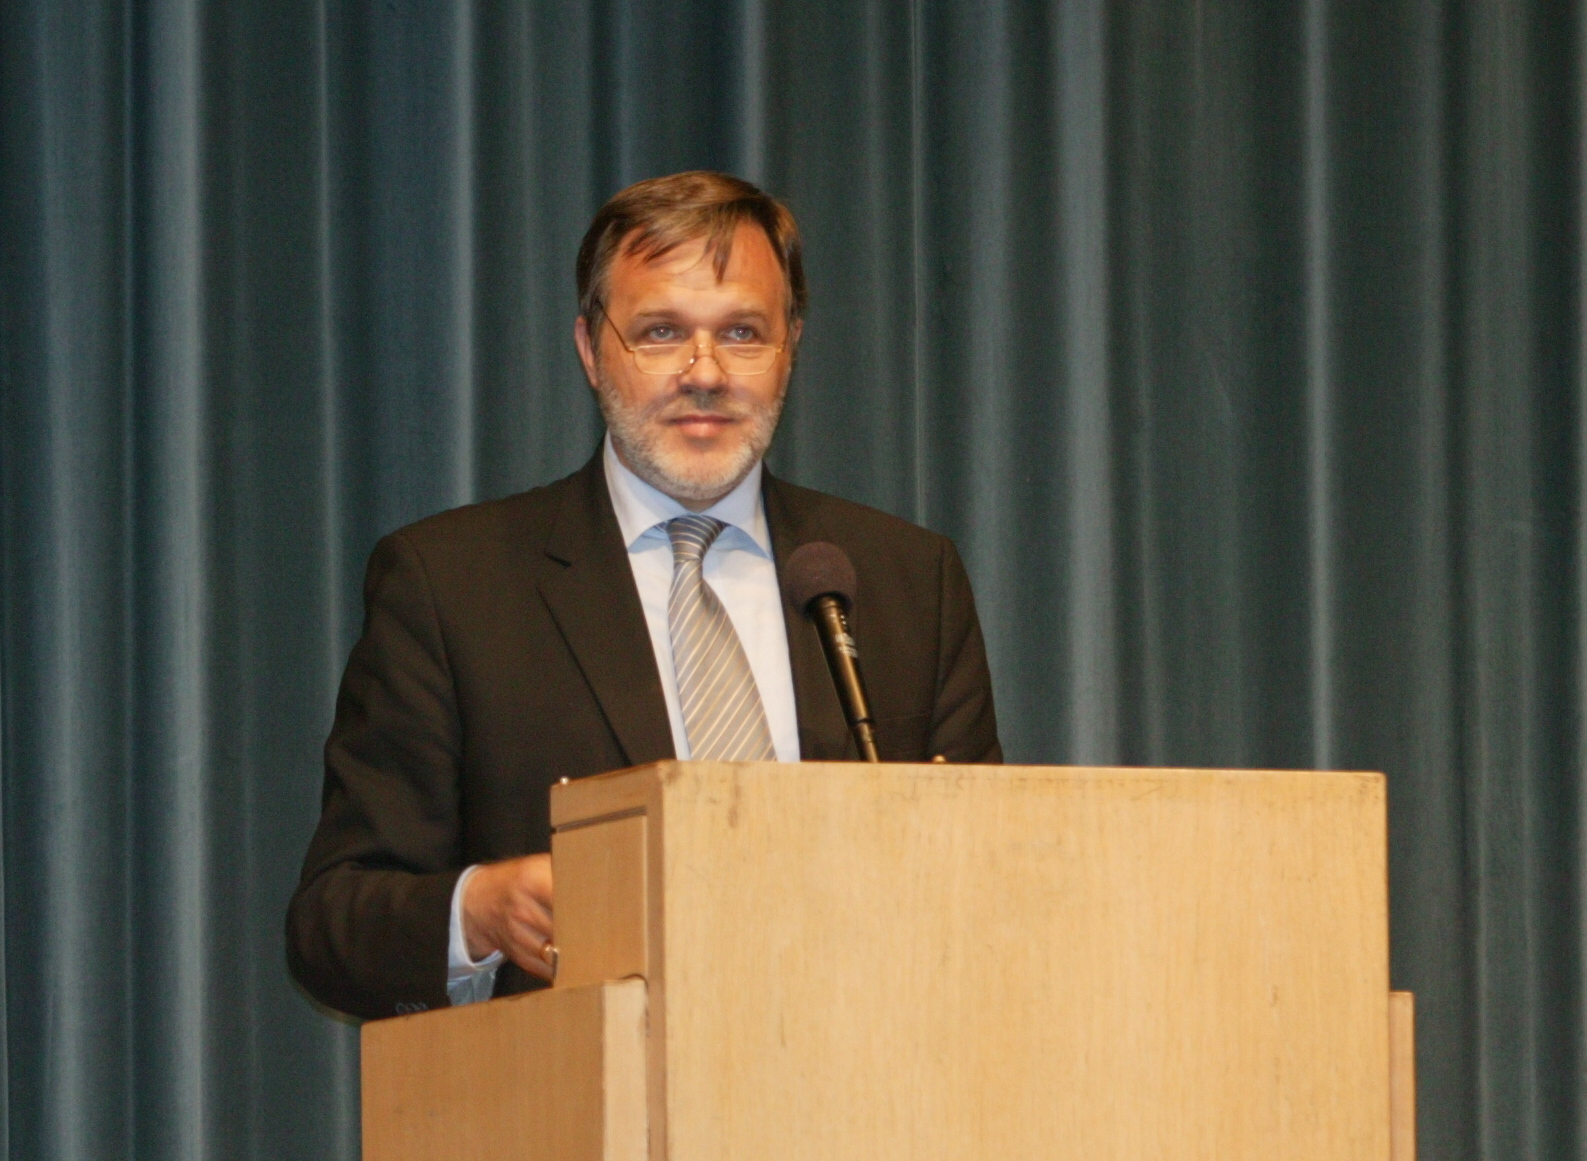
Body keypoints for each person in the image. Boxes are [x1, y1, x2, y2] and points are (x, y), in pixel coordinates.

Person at [286, 171, 1001, 1020]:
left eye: (742, 333)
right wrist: (477, 910)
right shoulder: (451, 585)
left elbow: (987, 882)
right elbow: (333, 924)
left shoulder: (904, 578)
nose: (705, 372)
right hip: (585, 1088)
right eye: (660, 333)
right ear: (591, 350)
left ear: (790, 349)